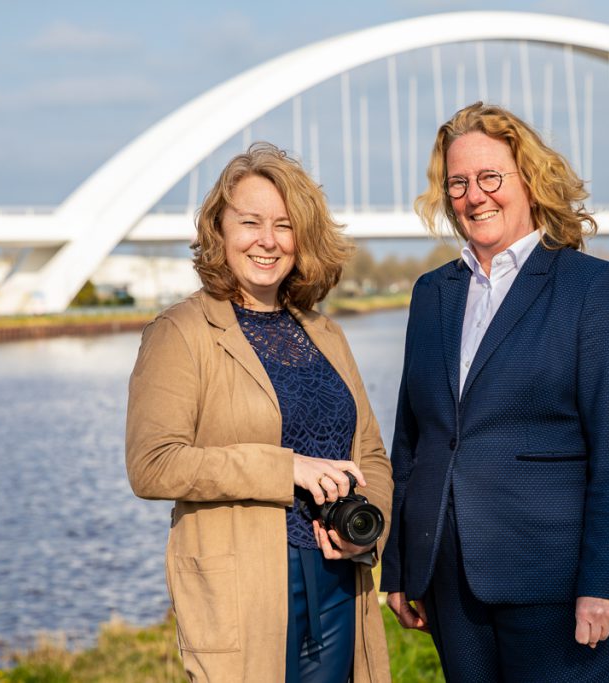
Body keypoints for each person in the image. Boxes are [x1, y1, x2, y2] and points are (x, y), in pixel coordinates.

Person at [381, 102, 609, 682]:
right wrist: (400, 567)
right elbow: (415, 440)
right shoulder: (432, 294)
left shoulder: (591, 288)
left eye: (490, 178)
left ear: (528, 179)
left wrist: (604, 581)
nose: (475, 196)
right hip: (451, 581)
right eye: (458, 182)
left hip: (555, 582)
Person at [126, 142, 393, 683]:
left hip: (340, 577)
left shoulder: (325, 332)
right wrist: (284, 467)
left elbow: (371, 455)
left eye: (284, 225)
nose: (267, 241)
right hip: (242, 587)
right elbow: (152, 465)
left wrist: (368, 531)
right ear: (219, 232)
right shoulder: (180, 332)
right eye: (250, 222)